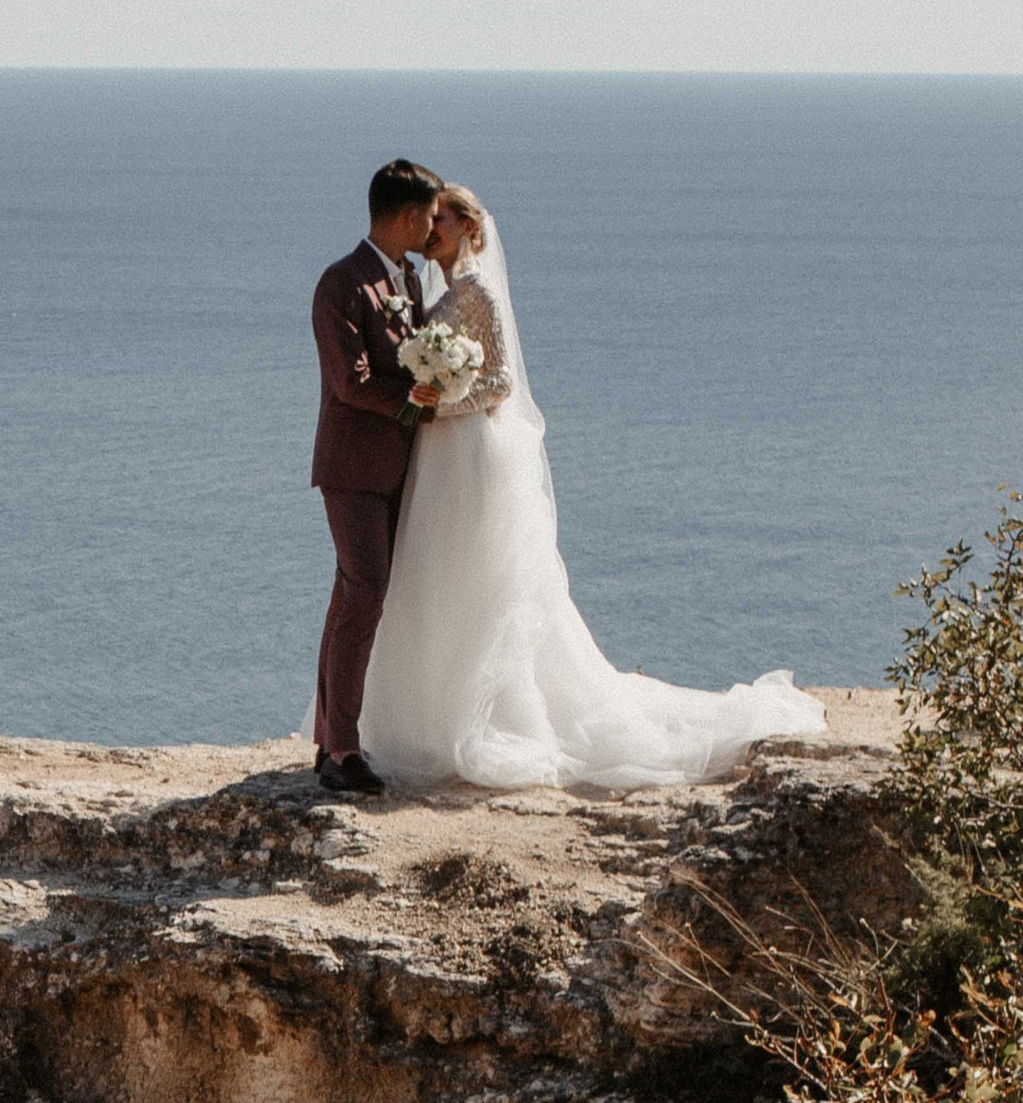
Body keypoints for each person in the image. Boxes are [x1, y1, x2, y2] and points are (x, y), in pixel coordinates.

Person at [356, 184, 824, 788]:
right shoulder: (437, 289)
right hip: (440, 454)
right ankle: (429, 718)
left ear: (469, 227)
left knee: (475, 581)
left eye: (440, 219)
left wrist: (441, 403)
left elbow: (499, 382)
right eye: (428, 218)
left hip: (468, 449)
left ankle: (486, 718)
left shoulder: (476, 290)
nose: (430, 229)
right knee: (437, 576)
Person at [305, 157, 444, 796]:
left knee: (349, 595)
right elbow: (350, 383)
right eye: (430, 216)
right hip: (352, 468)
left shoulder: (410, 281)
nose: (433, 227)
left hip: (397, 466)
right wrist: (413, 396)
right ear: (407, 215)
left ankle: (328, 741)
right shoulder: (341, 284)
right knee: (365, 593)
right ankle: (344, 751)